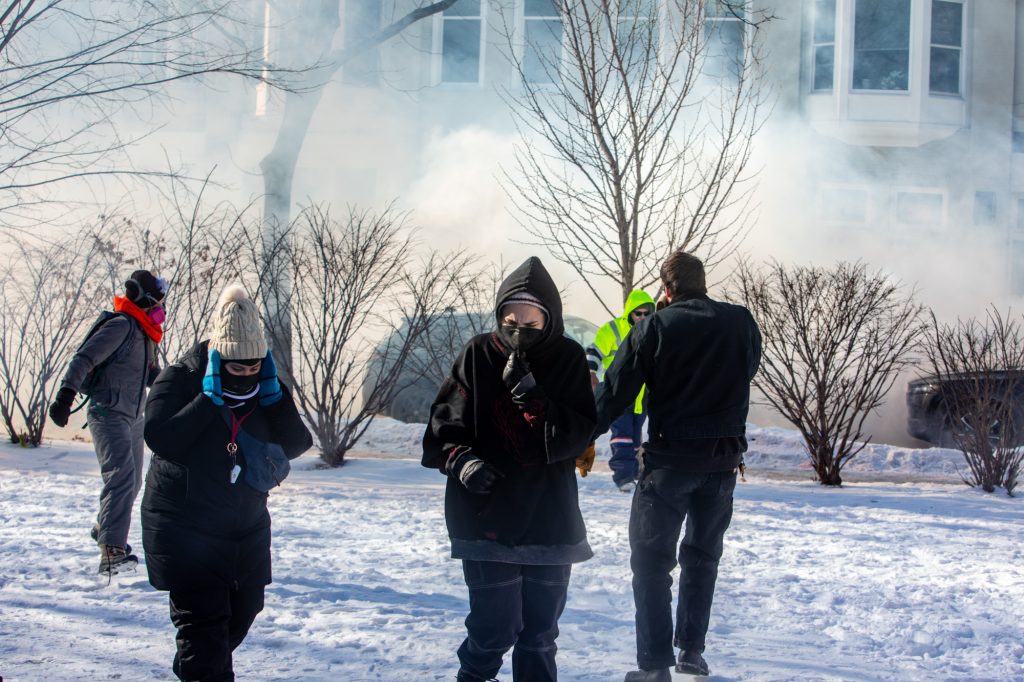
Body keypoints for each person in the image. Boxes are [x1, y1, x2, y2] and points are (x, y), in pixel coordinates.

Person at [422, 256, 597, 682]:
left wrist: (534, 398)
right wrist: (462, 462)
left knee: (539, 635)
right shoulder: (477, 354)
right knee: (494, 629)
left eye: (530, 320)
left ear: (549, 318)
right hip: (486, 517)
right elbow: (443, 426)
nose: (519, 328)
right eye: (510, 319)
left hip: (549, 520)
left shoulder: (568, 358)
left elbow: (578, 436)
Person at [593, 251, 761, 681]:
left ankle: (654, 667)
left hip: (669, 464)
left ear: (666, 290)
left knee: (651, 564)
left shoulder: (654, 327)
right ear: (703, 282)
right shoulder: (741, 321)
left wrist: (573, 435)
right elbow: (748, 369)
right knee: (703, 557)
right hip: (722, 464)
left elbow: (615, 391)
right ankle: (692, 651)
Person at [141, 284, 312, 681]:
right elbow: (161, 438)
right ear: (219, 358)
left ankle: (197, 664)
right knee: (204, 633)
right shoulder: (180, 378)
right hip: (187, 528)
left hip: (245, 529)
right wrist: (208, 401)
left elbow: (297, 444)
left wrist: (276, 400)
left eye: (254, 367)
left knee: (243, 613)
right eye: (238, 369)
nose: (246, 376)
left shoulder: (265, 385)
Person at [48, 269, 167, 575]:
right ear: (144, 298)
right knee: (121, 477)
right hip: (108, 412)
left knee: (134, 480)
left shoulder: (145, 333)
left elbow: (148, 374)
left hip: (133, 416)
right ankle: (112, 552)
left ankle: (105, 526)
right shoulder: (121, 325)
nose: (162, 306)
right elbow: (84, 358)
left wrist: (175, 382)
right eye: (159, 299)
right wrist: (65, 396)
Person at [585, 290, 656, 491]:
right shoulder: (613, 329)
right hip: (617, 393)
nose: (642, 317)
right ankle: (623, 476)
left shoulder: (653, 331)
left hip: (641, 397)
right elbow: (594, 351)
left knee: (635, 437)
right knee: (622, 435)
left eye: (646, 313)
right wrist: (591, 372)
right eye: (638, 313)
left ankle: (633, 473)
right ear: (629, 313)